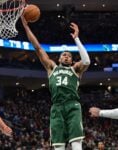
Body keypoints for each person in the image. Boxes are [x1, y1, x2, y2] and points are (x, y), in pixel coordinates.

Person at [21, 16, 90, 150]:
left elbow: (86, 61)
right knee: (58, 145)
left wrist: (76, 38)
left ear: (71, 61)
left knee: (76, 143)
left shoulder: (76, 69)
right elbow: (38, 48)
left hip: (72, 105)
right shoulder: (51, 67)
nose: (66, 56)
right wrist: (26, 27)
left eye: (69, 56)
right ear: (59, 59)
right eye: (64, 55)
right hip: (57, 107)